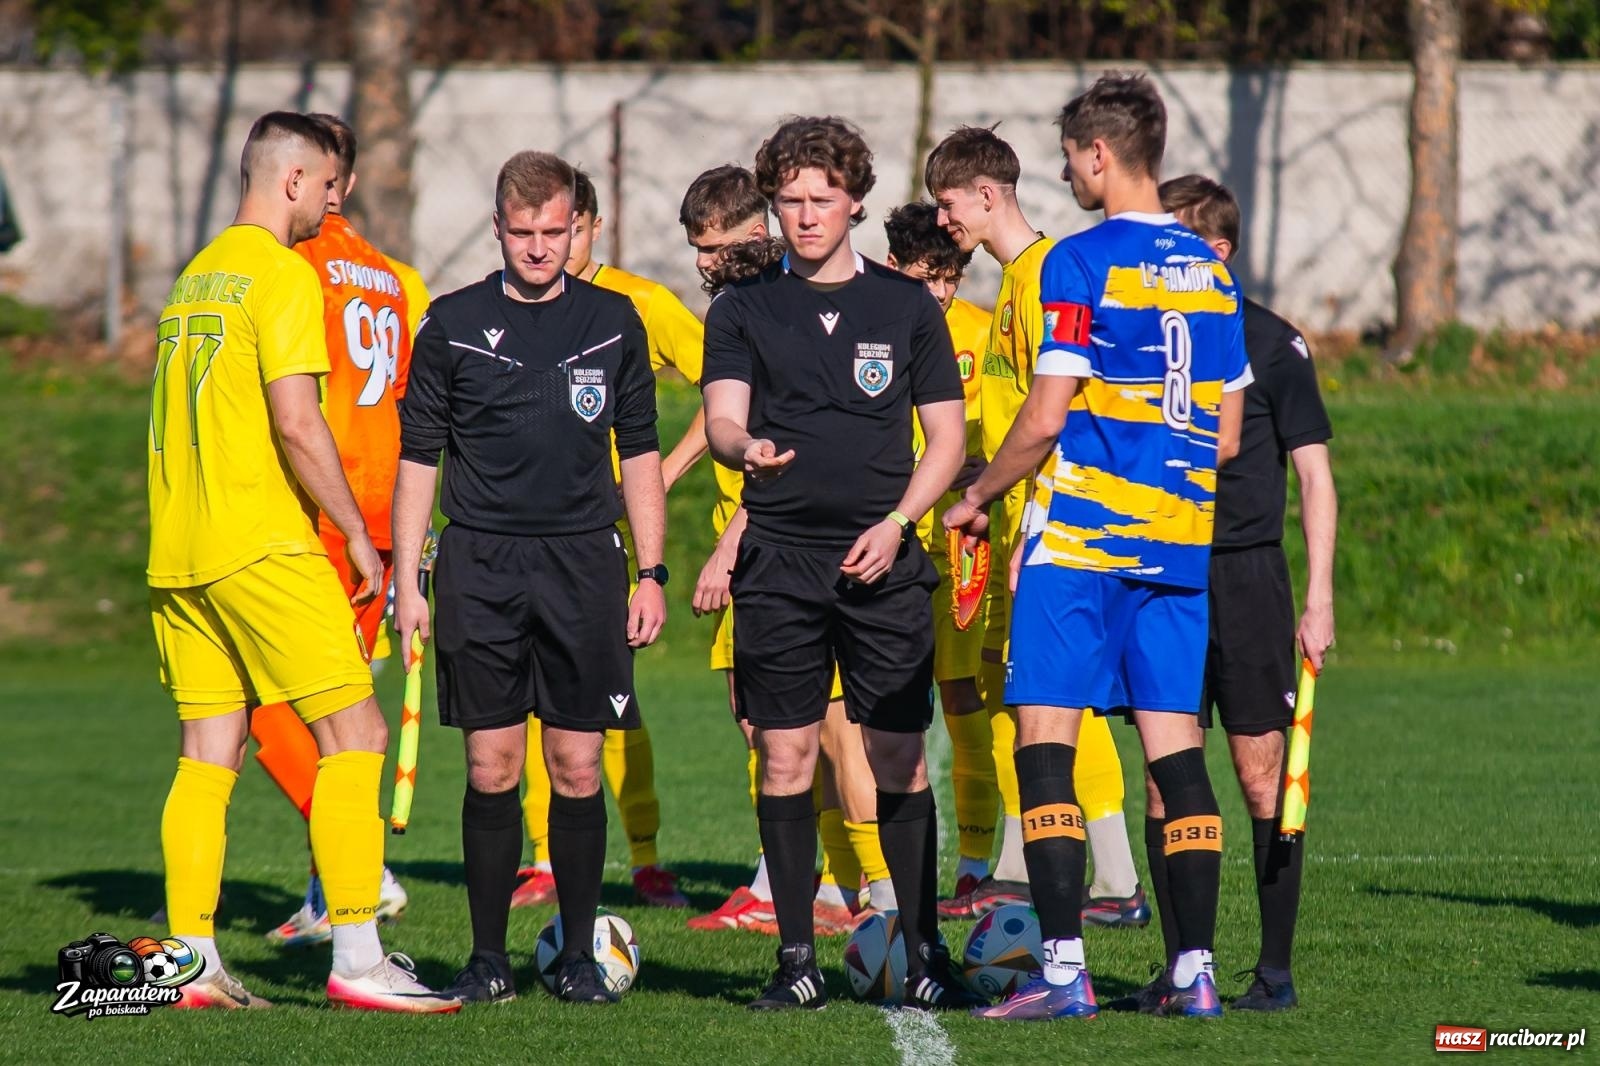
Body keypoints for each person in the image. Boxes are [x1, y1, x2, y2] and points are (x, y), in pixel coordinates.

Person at [946, 73, 1251, 1021]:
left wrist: (976, 494)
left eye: (1074, 156)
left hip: (1081, 540)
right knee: (1176, 751)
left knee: (1045, 742)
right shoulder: (1213, 269)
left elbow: (1042, 418)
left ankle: (1067, 972)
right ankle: (1193, 974)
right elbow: (1231, 434)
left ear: (1097, 155)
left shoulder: (1078, 262)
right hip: (1179, 544)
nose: (1072, 172)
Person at [147, 110, 457, 1013]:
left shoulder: (192, 278)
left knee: (209, 752)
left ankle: (191, 959)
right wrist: (357, 534)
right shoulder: (280, 274)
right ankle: (360, 954)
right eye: (326, 185)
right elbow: (296, 419)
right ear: (291, 182)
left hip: (181, 551)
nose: (333, 201)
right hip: (262, 542)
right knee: (355, 735)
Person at [702, 116, 980, 1011]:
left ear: (856, 200)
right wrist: (744, 448)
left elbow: (945, 441)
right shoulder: (742, 307)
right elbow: (721, 418)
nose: (806, 216)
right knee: (784, 760)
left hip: (882, 562)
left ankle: (926, 948)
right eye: (789, 201)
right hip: (778, 562)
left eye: (823, 199)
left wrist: (901, 522)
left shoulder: (902, 306)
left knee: (898, 755)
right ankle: (795, 963)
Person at [393, 150, 666, 1007]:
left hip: (585, 563)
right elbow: (416, 463)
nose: (540, 247)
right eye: (523, 232)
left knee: (579, 766)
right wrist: (408, 583)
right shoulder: (451, 323)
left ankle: (578, 956)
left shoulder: (616, 321)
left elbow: (644, 456)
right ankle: (486, 959)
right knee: (492, 765)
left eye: (555, 231)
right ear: (499, 227)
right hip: (480, 565)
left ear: (577, 226)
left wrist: (651, 570)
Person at [1108, 173, 1335, 1014]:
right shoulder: (1138, 338)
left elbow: (1314, 477)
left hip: (1245, 578)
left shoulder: (1273, 344)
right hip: (1157, 571)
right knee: (1165, 777)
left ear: (1219, 252)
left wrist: (1319, 599)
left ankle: (1273, 971)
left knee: (1258, 773)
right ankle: (1180, 970)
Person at [924, 125, 1145, 926]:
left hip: (1055, 526)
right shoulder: (1014, 282)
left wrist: (1002, 503)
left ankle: (1116, 881)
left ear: (987, 194)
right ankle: (1031, 869)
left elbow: (1060, 413)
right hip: (1021, 528)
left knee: (1063, 704)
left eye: (948, 206)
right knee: (1029, 702)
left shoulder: (1051, 274)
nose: (943, 223)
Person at [681, 167, 892, 939]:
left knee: (825, 732)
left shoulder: (783, 310)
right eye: (697, 249)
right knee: (775, 731)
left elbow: (796, 437)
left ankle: (873, 888)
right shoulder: (739, 314)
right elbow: (720, 414)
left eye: (718, 246)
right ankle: (824, 888)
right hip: (765, 544)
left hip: (788, 550)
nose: (707, 262)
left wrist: (731, 549)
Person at [248, 111, 422, 949]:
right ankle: (331, 894)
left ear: (329, 180)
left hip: (326, 510)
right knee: (340, 705)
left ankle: (355, 864)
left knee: (258, 704)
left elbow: (293, 402)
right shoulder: (391, 276)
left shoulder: (293, 263)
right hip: (385, 510)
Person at [510, 167, 704, 911]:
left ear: (589, 225)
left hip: (607, 539)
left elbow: (728, 380)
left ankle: (647, 859)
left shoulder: (638, 304)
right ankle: (544, 861)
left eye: (569, 227)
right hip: (528, 535)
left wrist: (660, 476)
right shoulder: (515, 305)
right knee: (531, 698)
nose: (555, 244)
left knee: (611, 700)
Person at [882, 202, 998, 898]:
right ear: (895, 268)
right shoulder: (872, 326)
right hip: (887, 540)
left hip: (955, 539)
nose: (943, 290)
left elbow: (998, 428)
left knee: (961, 694)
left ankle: (978, 862)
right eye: (929, 276)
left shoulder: (981, 335)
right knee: (884, 702)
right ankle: (875, 873)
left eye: (952, 276)